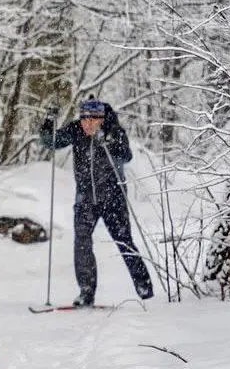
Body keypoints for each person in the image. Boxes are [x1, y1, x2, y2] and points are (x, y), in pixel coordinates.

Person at [40, 96, 154, 306]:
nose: (88, 123)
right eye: (84, 119)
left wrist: (109, 142)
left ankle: (144, 288)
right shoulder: (76, 130)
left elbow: (126, 156)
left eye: (93, 119)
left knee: (124, 241)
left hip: (113, 197)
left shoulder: (113, 131)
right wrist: (49, 119)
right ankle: (86, 292)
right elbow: (51, 142)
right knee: (82, 243)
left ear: (101, 118)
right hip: (85, 199)